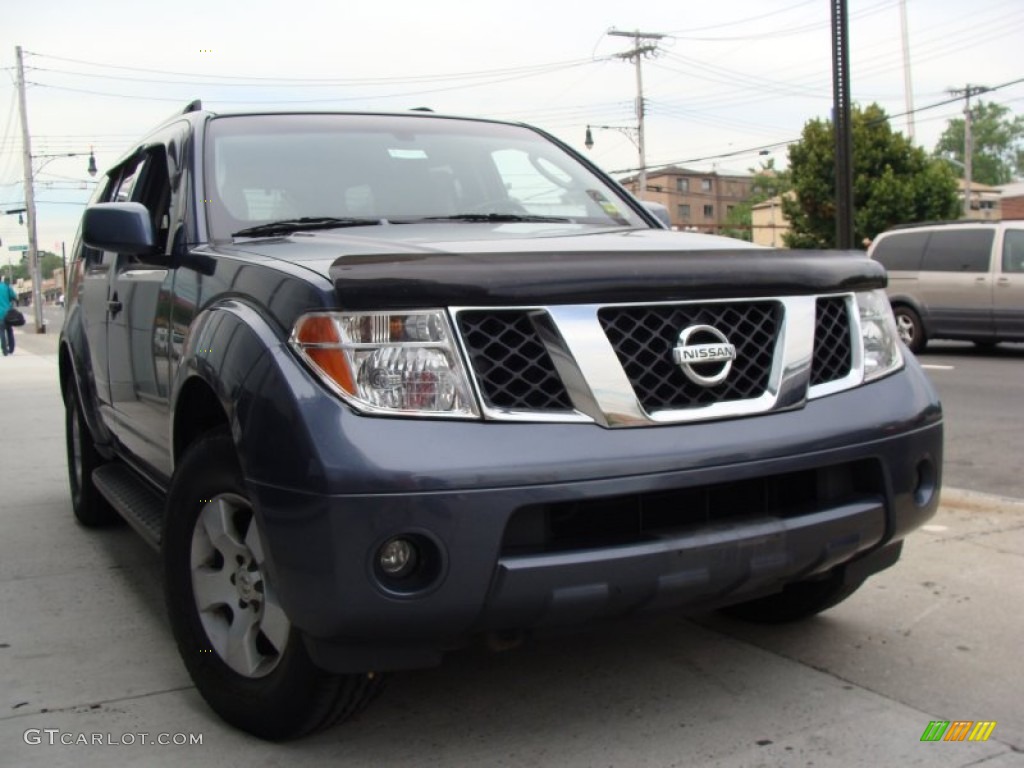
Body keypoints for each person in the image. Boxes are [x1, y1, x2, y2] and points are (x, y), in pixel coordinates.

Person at [0, 277, 17, 356]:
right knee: (9, 330)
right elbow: (14, 296)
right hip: (8, 312)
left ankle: (4, 350)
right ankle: (11, 348)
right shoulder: (6, 287)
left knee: (1, 331)